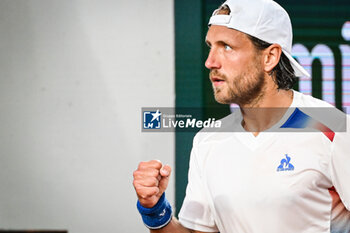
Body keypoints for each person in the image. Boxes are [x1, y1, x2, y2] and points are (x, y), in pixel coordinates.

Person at [133, 0, 350, 232]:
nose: (210, 62)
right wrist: (155, 210)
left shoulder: (331, 128)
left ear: (270, 57)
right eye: (210, 46)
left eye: (226, 46)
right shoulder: (208, 140)